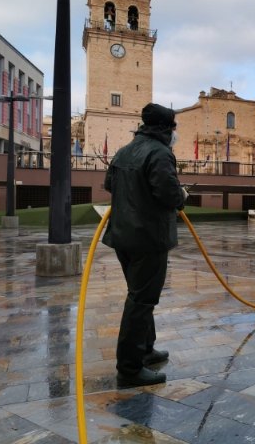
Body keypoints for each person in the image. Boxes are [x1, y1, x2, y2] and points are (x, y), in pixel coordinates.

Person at [102, 103, 188, 387]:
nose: (174, 134)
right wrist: (182, 193)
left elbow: (109, 184)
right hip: (148, 239)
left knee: (139, 295)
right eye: (173, 128)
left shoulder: (125, 150)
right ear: (165, 129)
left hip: (122, 237)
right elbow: (169, 194)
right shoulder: (161, 153)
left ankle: (146, 350)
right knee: (141, 301)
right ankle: (129, 369)